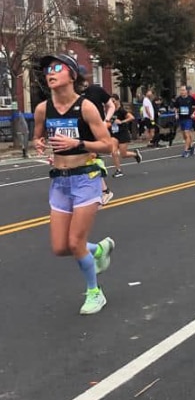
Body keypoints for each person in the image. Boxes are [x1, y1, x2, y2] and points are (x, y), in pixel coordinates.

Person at [33, 54, 115, 315]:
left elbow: (107, 144)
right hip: (60, 182)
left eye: (57, 67)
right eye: (47, 69)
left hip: (86, 179)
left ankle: (95, 292)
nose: (50, 72)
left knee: (75, 242)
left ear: (71, 74)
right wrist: (39, 143)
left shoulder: (87, 107)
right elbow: (38, 136)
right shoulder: (42, 109)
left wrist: (77, 144)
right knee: (60, 247)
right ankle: (99, 249)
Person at [78, 66, 115, 205]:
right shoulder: (74, 94)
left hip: (96, 131)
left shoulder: (96, 90)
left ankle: (104, 191)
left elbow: (111, 106)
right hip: (81, 130)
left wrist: (106, 121)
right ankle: (97, 189)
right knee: (84, 159)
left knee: (92, 158)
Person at [109, 94, 142, 177]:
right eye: (111, 101)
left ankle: (135, 154)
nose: (112, 103)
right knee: (114, 152)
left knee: (123, 154)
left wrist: (122, 121)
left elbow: (131, 117)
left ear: (117, 101)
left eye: (113, 101)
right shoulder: (111, 110)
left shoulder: (121, 110)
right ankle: (118, 170)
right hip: (114, 133)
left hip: (123, 133)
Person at [173, 85, 195, 157]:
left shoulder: (190, 98)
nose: (182, 92)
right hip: (181, 118)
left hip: (188, 118)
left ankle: (186, 151)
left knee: (186, 133)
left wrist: (194, 113)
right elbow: (176, 107)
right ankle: (191, 146)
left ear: (186, 91)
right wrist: (176, 114)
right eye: (181, 90)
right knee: (185, 135)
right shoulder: (178, 99)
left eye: (183, 90)